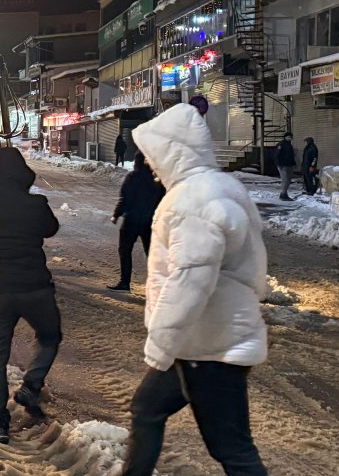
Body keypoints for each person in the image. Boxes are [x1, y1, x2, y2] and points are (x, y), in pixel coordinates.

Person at [123, 103, 269, 476]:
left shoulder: (194, 200)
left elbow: (190, 280)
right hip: (199, 339)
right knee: (146, 408)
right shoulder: (220, 187)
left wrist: (160, 345)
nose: (151, 166)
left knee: (233, 450)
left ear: (172, 151)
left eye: (153, 155)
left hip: (211, 346)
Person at [0, 147, 61, 443]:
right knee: (49, 336)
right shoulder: (36, 204)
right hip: (35, 288)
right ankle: (31, 385)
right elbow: (51, 229)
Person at [109, 152, 164, 291]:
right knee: (151, 253)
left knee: (125, 250)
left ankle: (125, 282)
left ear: (136, 162)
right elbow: (162, 201)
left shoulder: (132, 177)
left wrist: (116, 214)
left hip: (131, 221)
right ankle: (158, 284)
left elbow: (124, 198)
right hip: (149, 222)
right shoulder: (156, 180)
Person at [275, 132, 296, 201]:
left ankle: (284, 193)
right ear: (285, 137)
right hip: (283, 165)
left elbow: (291, 155)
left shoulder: (289, 144)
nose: (290, 138)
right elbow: (277, 155)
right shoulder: (281, 144)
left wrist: (293, 163)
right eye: (289, 137)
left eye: (291, 137)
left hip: (289, 164)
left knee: (288, 179)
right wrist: (279, 164)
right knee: (285, 179)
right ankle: (283, 194)